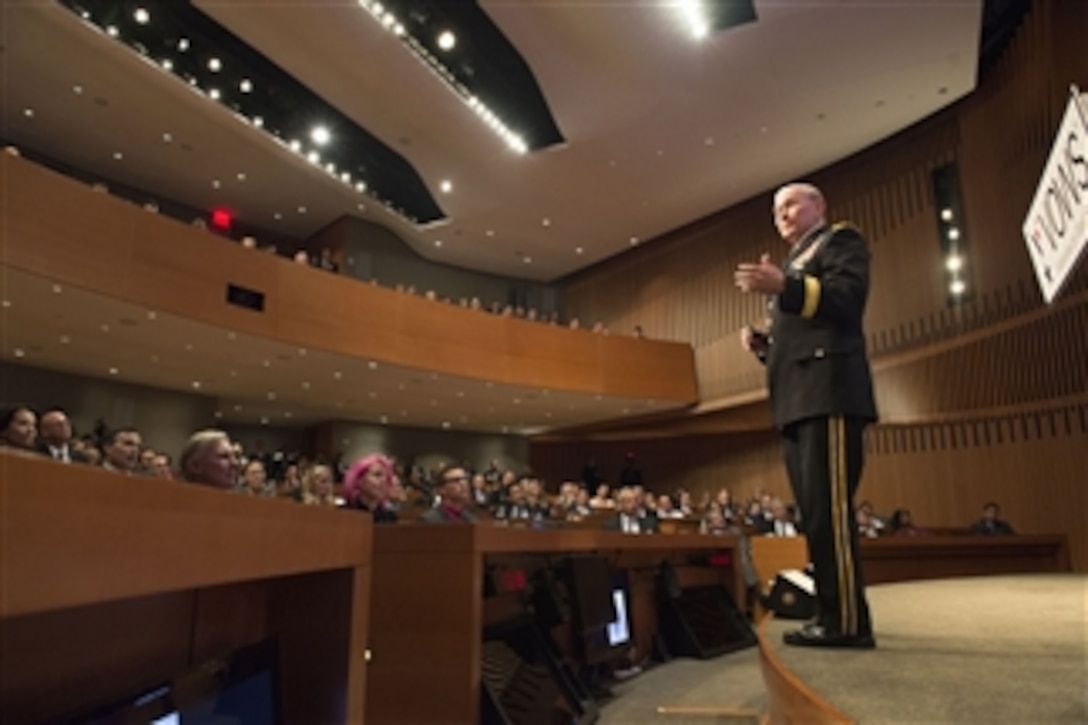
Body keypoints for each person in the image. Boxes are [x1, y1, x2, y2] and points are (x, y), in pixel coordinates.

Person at [735, 181, 877, 649]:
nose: (784, 214)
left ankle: (848, 623)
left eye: (793, 203)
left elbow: (846, 300)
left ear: (820, 205)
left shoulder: (840, 240)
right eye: (777, 209)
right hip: (797, 400)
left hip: (829, 393)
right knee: (815, 516)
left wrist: (786, 287)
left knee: (831, 514)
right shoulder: (794, 265)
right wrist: (764, 347)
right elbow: (797, 338)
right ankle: (832, 615)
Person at [342, 453, 400, 522]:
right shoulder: (343, 514)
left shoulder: (390, 517)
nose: (383, 481)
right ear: (359, 481)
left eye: (386, 477)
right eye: (377, 475)